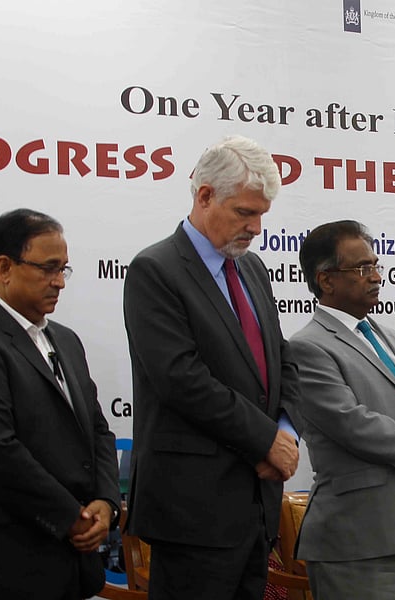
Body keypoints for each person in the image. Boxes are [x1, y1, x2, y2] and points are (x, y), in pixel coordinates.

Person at [123, 135, 301, 600]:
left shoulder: (253, 268)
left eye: (262, 214)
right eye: (245, 212)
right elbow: (181, 380)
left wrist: (285, 432)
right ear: (204, 196)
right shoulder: (155, 270)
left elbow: (281, 361)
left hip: (256, 503)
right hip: (192, 509)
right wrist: (265, 440)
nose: (256, 227)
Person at [0, 209, 119, 599]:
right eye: (48, 268)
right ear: (4, 267)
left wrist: (106, 504)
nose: (59, 282)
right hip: (4, 568)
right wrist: (71, 518)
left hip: (70, 567)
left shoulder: (67, 341)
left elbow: (97, 430)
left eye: (64, 270)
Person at [288, 220, 395, 600]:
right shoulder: (307, 347)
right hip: (355, 541)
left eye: (376, 265)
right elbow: (353, 425)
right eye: (362, 268)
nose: (376, 277)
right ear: (326, 280)